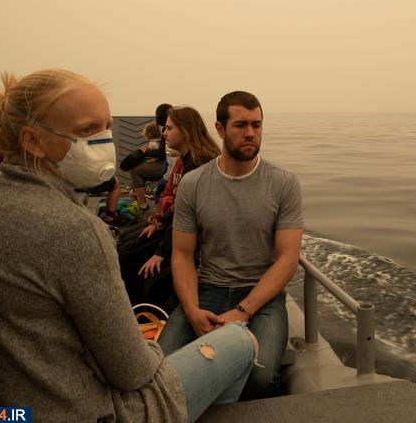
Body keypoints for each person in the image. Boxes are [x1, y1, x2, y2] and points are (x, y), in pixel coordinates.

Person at [0, 70, 258, 422]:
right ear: (33, 141)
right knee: (239, 340)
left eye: (106, 127)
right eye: (88, 130)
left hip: (0, 405)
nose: (105, 140)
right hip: (86, 411)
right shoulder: (74, 228)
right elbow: (133, 372)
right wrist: (149, 349)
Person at [158, 91, 304, 400]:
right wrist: (192, 310)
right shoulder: (194, 184)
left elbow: (288, 258)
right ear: (220, 129)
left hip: (261, 296)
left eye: (256, 125)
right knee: (162, 368)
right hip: (208, 288)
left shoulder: (283, 183)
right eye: (240, 125)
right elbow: (182, 255)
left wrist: (243, 311)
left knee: (261, 376)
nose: (250, 133)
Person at [119, 106, 220, 306]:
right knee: (127, 243)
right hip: (176, 227)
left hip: (194, 240)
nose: (164, 133)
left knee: (129, 261)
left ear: (186, 130)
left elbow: (185, 215)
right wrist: (157, 222)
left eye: (169, 128)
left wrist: (161, 253)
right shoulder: (185, 160)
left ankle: (139, 313)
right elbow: (175, 204)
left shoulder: (198, 164)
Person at [128, 103, 170, 210]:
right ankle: (137, 195)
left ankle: (142, 205)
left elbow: (162, 153)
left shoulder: (166, 129)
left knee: (135, 170)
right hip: (167, 162)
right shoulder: (170, 128)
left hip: (168, 165)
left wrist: (144, 152)